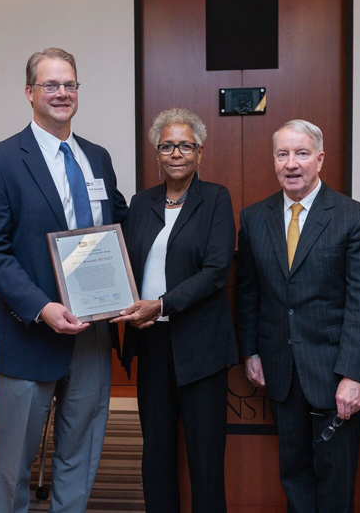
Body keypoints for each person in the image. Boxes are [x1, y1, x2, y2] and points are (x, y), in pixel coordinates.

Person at [0, 47, 127, 513]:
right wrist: (42, 307)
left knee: (80, 454)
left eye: (70, 84)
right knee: (15, 465)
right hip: (31, 336)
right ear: (29, 93)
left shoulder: (96, 158)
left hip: (92, 335)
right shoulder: (0, 159)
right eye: (51, 85)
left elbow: (118, 225)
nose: (62, 93)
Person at [237, 119, 360, 512]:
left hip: (335, 373)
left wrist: (353, 375)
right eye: (282, 154)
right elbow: (249, 292)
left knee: (335, 481)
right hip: (281, 371)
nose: (291, 163)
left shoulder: (356, 217)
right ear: (273, 160)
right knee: (294, 473)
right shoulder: (253, 218)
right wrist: (251, 352)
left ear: (320, 158)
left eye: (301, 153)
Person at [114, 108, 237, 512]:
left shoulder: (215, 198)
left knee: (205, 458)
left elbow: (217, 271)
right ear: (157, 153)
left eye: (186, 145)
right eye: (167, 145)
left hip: (200, 346)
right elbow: (123, 263)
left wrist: (162, 304)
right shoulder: (141, 202)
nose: (176, 153)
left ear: (200, 152)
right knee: (157, 454)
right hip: (152, 343)